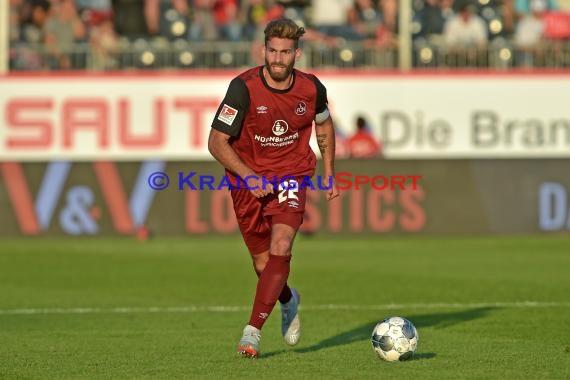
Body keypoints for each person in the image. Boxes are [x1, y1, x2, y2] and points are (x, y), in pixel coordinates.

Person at [208, 17, 339, 358]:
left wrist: (329, 172)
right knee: (263, 265)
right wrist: (249, 176)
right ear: (263, 50)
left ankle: (251, 332)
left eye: (285, 52)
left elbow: (324, 128)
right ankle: (287, 298)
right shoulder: (242, 88)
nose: (278, 59)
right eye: (272, 51)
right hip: (246, 180)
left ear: (297, 54)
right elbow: (217, 142)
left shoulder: (312, 89)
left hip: (291, 175)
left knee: (281, 244)